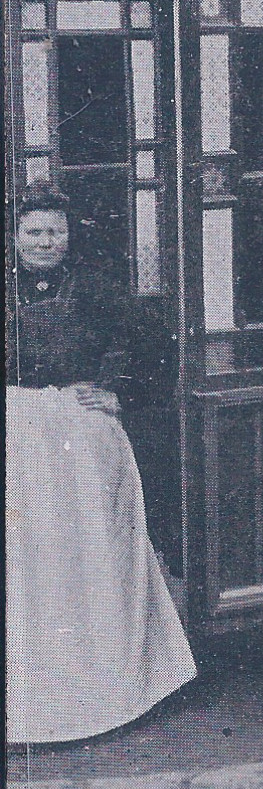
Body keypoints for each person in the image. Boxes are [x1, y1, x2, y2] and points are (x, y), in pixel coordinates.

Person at [6, 183, 196, 743]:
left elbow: (147, 348)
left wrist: (119, 392)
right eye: (33, 232)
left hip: (80, 430)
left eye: (55, 232)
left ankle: (108, 685)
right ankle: (30, 692)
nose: (44, 242)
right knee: (26, 554)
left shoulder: (99, 290)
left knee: (88, 548)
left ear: (69, 237)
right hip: (15, 424)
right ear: (15, 238)